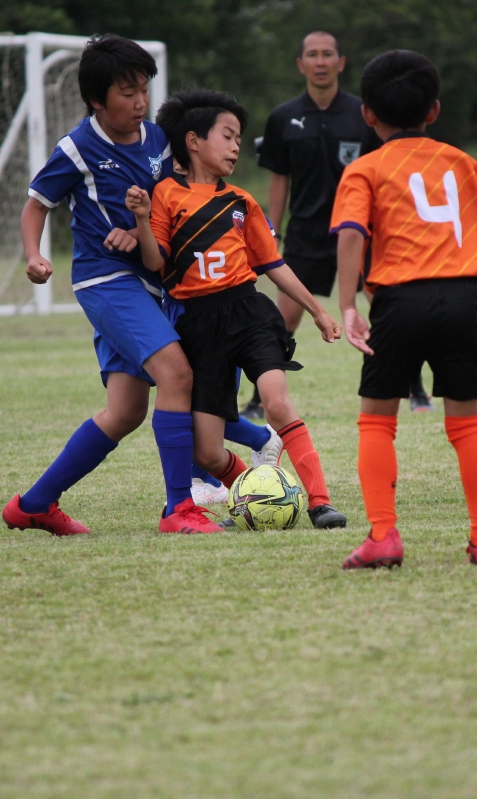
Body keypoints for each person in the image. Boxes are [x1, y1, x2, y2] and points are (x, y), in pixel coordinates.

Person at [1, 35, 223, 535]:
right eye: (127, 92)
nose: (140, 101)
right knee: (177, 374)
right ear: (96, 99)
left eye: (144, 89)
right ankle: (180, 509)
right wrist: (34, 255)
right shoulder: (77, 148)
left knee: (125, 412)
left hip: (152, 282)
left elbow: (170, 200)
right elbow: (37, 205)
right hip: (106, 280)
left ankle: (34, 504)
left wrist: (139, 228)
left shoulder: (159, 139)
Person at [331, 50, 477, 569]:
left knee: (377, 420)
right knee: (467, 422)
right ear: (434, 110)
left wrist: (348, 304)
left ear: (368, 114)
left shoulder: (365, 169)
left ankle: (383, 536)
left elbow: (351, 234)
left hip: (399, 301)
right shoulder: (462, 162)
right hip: (463, 298)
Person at [126, 88, 349, 530]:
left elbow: (274, 265)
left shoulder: (242, 202)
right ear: (193, 141)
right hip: (198, 325)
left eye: (239, 140)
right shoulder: (165, 194)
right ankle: (253, 499)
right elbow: (154, 262)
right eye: (227, 136)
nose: (235, 147)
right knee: (207, 452)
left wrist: (317, 311)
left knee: (277, 404)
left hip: (248, 313)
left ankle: (320, 503)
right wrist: (141, 219)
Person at [244, 30, 433, 419]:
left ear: (341, 63)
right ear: (301, 64)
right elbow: (279, 178)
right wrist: (272, 230)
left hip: (360, 232)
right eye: (312, 55)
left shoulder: (364, 113)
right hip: (305, 234)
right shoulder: (283, 117)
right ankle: (260, 400)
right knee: (283, 319)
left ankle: (415, 388)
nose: (320, 61)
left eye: (327, 54)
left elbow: (386, 169)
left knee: (388, 310)